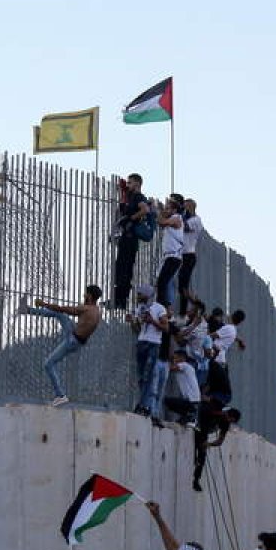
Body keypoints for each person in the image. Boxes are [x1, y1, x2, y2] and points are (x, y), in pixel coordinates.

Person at [16, 285, 103, 406]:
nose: (84, 294)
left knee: (48, 364)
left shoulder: (87, 309)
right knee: (60, 315)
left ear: (90, 295)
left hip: (73, 340)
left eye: (86, 293)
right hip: (76, 338)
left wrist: (44, 304)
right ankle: (27, 310)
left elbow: (62, 308)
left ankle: (60, 395)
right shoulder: (96, 310)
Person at [128, 284, 168, 416]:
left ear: (147, 295)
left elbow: (166, 328)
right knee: (141, 376)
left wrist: (152, 321)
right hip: (141, 342)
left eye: (140, 294)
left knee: (148, 376)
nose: (138, 297)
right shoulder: (139, 308)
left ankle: (143, 405)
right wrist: (133, 322)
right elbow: (137, 330)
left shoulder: (159, 308)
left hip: (153, 344)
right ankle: (144, 404)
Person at [112, 173, 150, 309]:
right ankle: (120, 300)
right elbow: (123, 211)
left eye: (130, 183)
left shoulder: (138, 196)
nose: (127, 185)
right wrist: (123, 193)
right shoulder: (130, 197)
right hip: (127, 237)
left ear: (137, 184)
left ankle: (120, 300)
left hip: (130, 237)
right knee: (123, 269)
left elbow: (145, 209)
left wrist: (131, 218)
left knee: (123, 269)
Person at [193, 402, 242, 491]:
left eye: (231, 421)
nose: (229, 421)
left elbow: (220, 441)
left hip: (204, 430)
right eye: (230, 419)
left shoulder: (226, 423)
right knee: (198, 449)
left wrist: (209, 444)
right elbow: (205, 402)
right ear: (229, 414)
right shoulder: (218, 406)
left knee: (202, 454)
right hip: (199, 419)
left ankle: (196, 480)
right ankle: (195, 462)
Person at [206, 310, 246, 405]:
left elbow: (212, 336)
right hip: (220, 360)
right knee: (211, 386)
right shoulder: (232, 329)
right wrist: (240, 340)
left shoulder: (228, 328)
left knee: (207, 385)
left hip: (216, 358)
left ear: (232, 316)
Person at [155, 194, 184, 306]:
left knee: (163, 281)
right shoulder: (172, 218)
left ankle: (162, 306)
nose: (165, 210)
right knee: (163, 281)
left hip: (174, 256)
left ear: (174, 209)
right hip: (169, 256)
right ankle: (162, 304)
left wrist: (159, 212)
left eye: (168, 208)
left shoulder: (176, 218)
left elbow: (161, 222)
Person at [178, 198, 203, 313]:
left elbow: (185, 227)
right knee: (181, 286)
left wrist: (179, 217)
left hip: (188, 255)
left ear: (191, 207)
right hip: (182, 254)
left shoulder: (196, 220)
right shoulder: (186, 218)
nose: (184, 208)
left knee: (183, 286)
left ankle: (194, 307)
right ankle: (195, 305)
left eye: (186, 206)